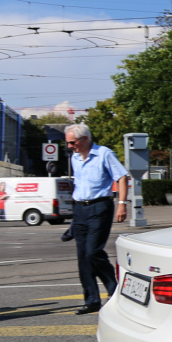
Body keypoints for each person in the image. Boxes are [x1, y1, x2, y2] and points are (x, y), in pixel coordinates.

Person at [64, 123, 129, 315]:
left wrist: (122, 203)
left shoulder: (104, 153)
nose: (70, 146)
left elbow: (122, 177)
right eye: (68, 143)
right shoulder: (75, 157)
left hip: (100, 207)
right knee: (83, 257)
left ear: (85, 139)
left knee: (93, 252)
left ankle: (115, 290)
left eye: (72, 142)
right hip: (80, 209)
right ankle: (91, 299)